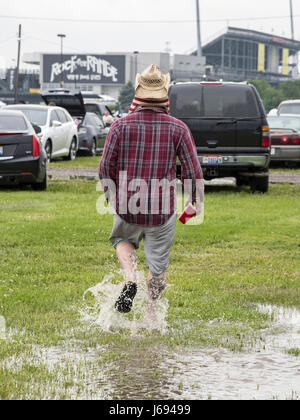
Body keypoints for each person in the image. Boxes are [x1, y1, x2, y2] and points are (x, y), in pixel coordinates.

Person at [99, 64, 203, 314]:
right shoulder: (178, 128)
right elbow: (193, 171)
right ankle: (151, 314)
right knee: (158, 269)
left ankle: (130, 279)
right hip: (161, 210)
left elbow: (105, 167)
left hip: (127, 206)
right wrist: (194, 202)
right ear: (163, 95)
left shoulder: (119, 126)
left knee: (123, 239)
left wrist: (112, 197)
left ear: (138, 92)